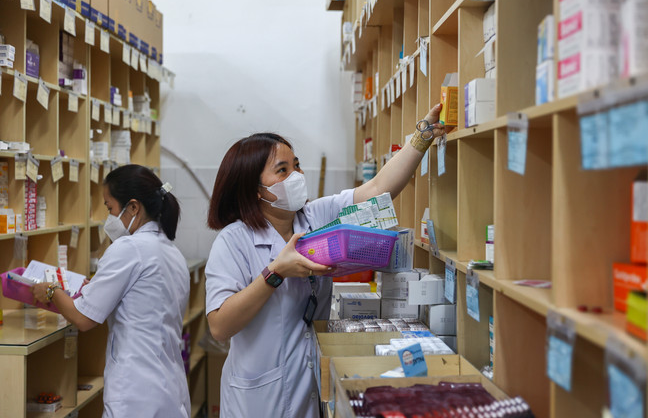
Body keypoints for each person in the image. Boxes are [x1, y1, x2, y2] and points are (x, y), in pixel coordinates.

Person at [205, 104, 446, 418]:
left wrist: (422, 136)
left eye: (297, 166)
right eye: (282, 170)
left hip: (309, 390)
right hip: (257, 401)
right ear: (257, 190)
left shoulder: (316, 216)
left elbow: (377, 189)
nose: (296, 176)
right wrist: (275, 273)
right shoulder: (233, 241)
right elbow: (219, 326)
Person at [32, 164, 191, 418]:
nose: (109, 218)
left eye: (110, 208)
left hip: (137, 391)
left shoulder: (129, 248)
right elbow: (144, 302)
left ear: (133, 207)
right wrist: (98, 290)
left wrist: (51, 291)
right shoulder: (172, 251)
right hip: (169, 386)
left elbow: (83, 319)